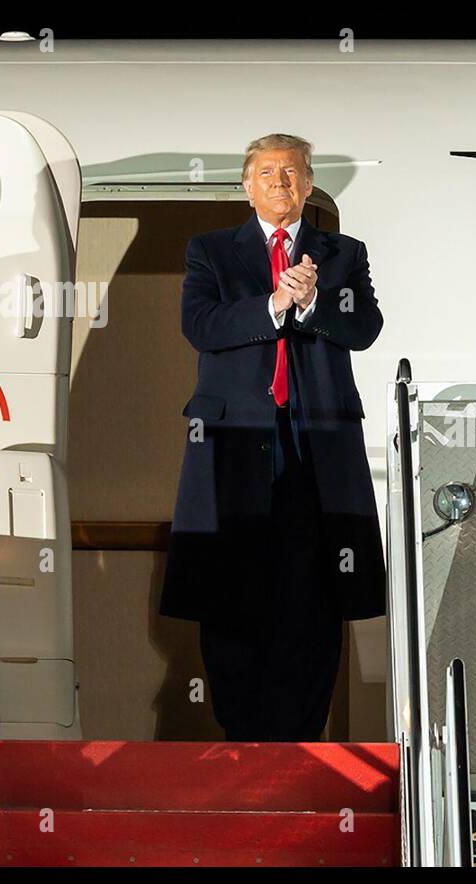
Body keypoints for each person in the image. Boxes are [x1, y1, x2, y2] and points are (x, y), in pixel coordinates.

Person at [159, 133, 386, 742]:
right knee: (230, 589)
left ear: (309, 185)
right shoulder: (210, 250)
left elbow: (364, 327)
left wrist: (312, 306)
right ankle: (242, 736)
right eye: (266, 172)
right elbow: (201, 327)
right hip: (234, 445)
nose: (280, 182)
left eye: (291, 173)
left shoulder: (342, 252)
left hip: (315, 446)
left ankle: (302, 737)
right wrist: (274, 303)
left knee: (313, 594)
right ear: (246, 185)